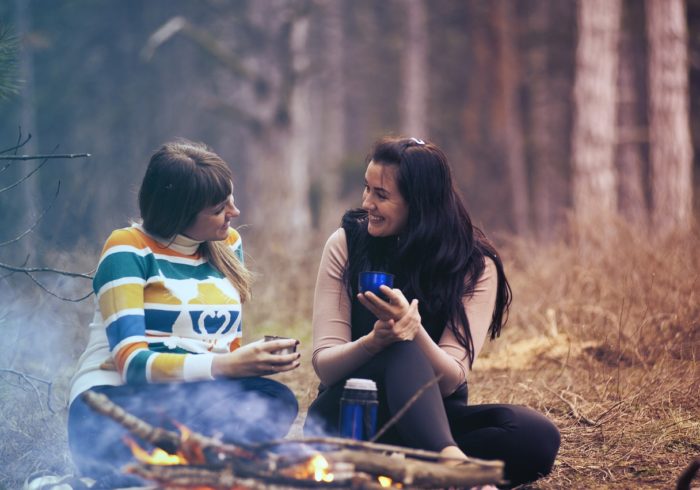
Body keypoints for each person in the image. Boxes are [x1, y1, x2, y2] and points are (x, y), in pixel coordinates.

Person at [303, 136, 560, 487]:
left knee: (535, 435)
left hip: (432, 418)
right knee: (398, 348)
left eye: (381, 195)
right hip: (350, 416)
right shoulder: (346, 244)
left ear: (419, 203)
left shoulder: (475, 265)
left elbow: (453, 377)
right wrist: (375, 342)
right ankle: (454, 469)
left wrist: (414, 330)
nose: (367, 203)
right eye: (367, 189)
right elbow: (326, 366)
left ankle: (420, 470)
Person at [68, 140, 300, 488]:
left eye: (231, 200)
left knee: (274, 399)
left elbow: (224, 346)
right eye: (221, 207)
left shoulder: (227, 244)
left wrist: (245, 363)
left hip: (190, 400)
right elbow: (132, 365)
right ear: (180, 212)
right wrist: (225, 366)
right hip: (113, 406)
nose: (234, 212)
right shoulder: (128, 249)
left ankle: (187, 471)